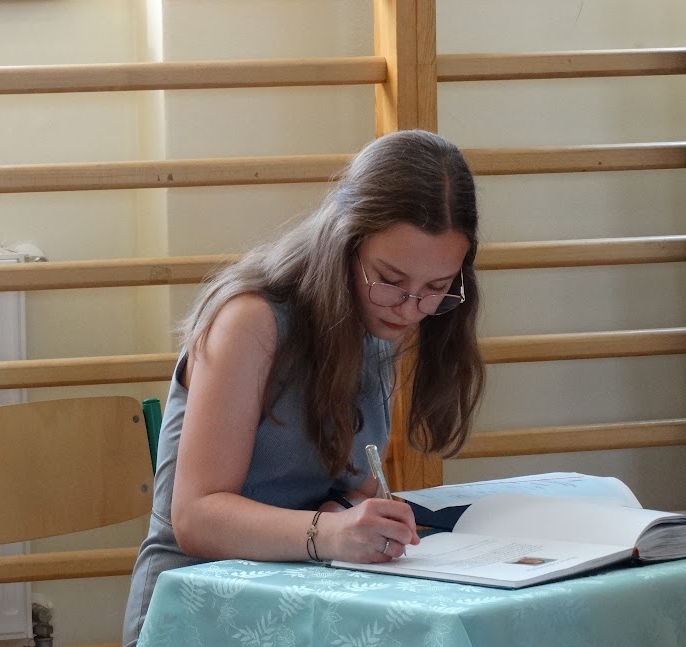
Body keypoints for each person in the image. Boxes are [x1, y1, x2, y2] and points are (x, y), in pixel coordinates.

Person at [122, 129, 486, 644]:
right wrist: (333, 531)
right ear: (345, 243)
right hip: (198, 605)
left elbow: (342, 484)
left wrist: (354, 512)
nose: (410, 310)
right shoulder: (251, 321)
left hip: (305, 594)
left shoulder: (376, 318)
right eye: (391, 280)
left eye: (436, 288)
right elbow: (197, 518)